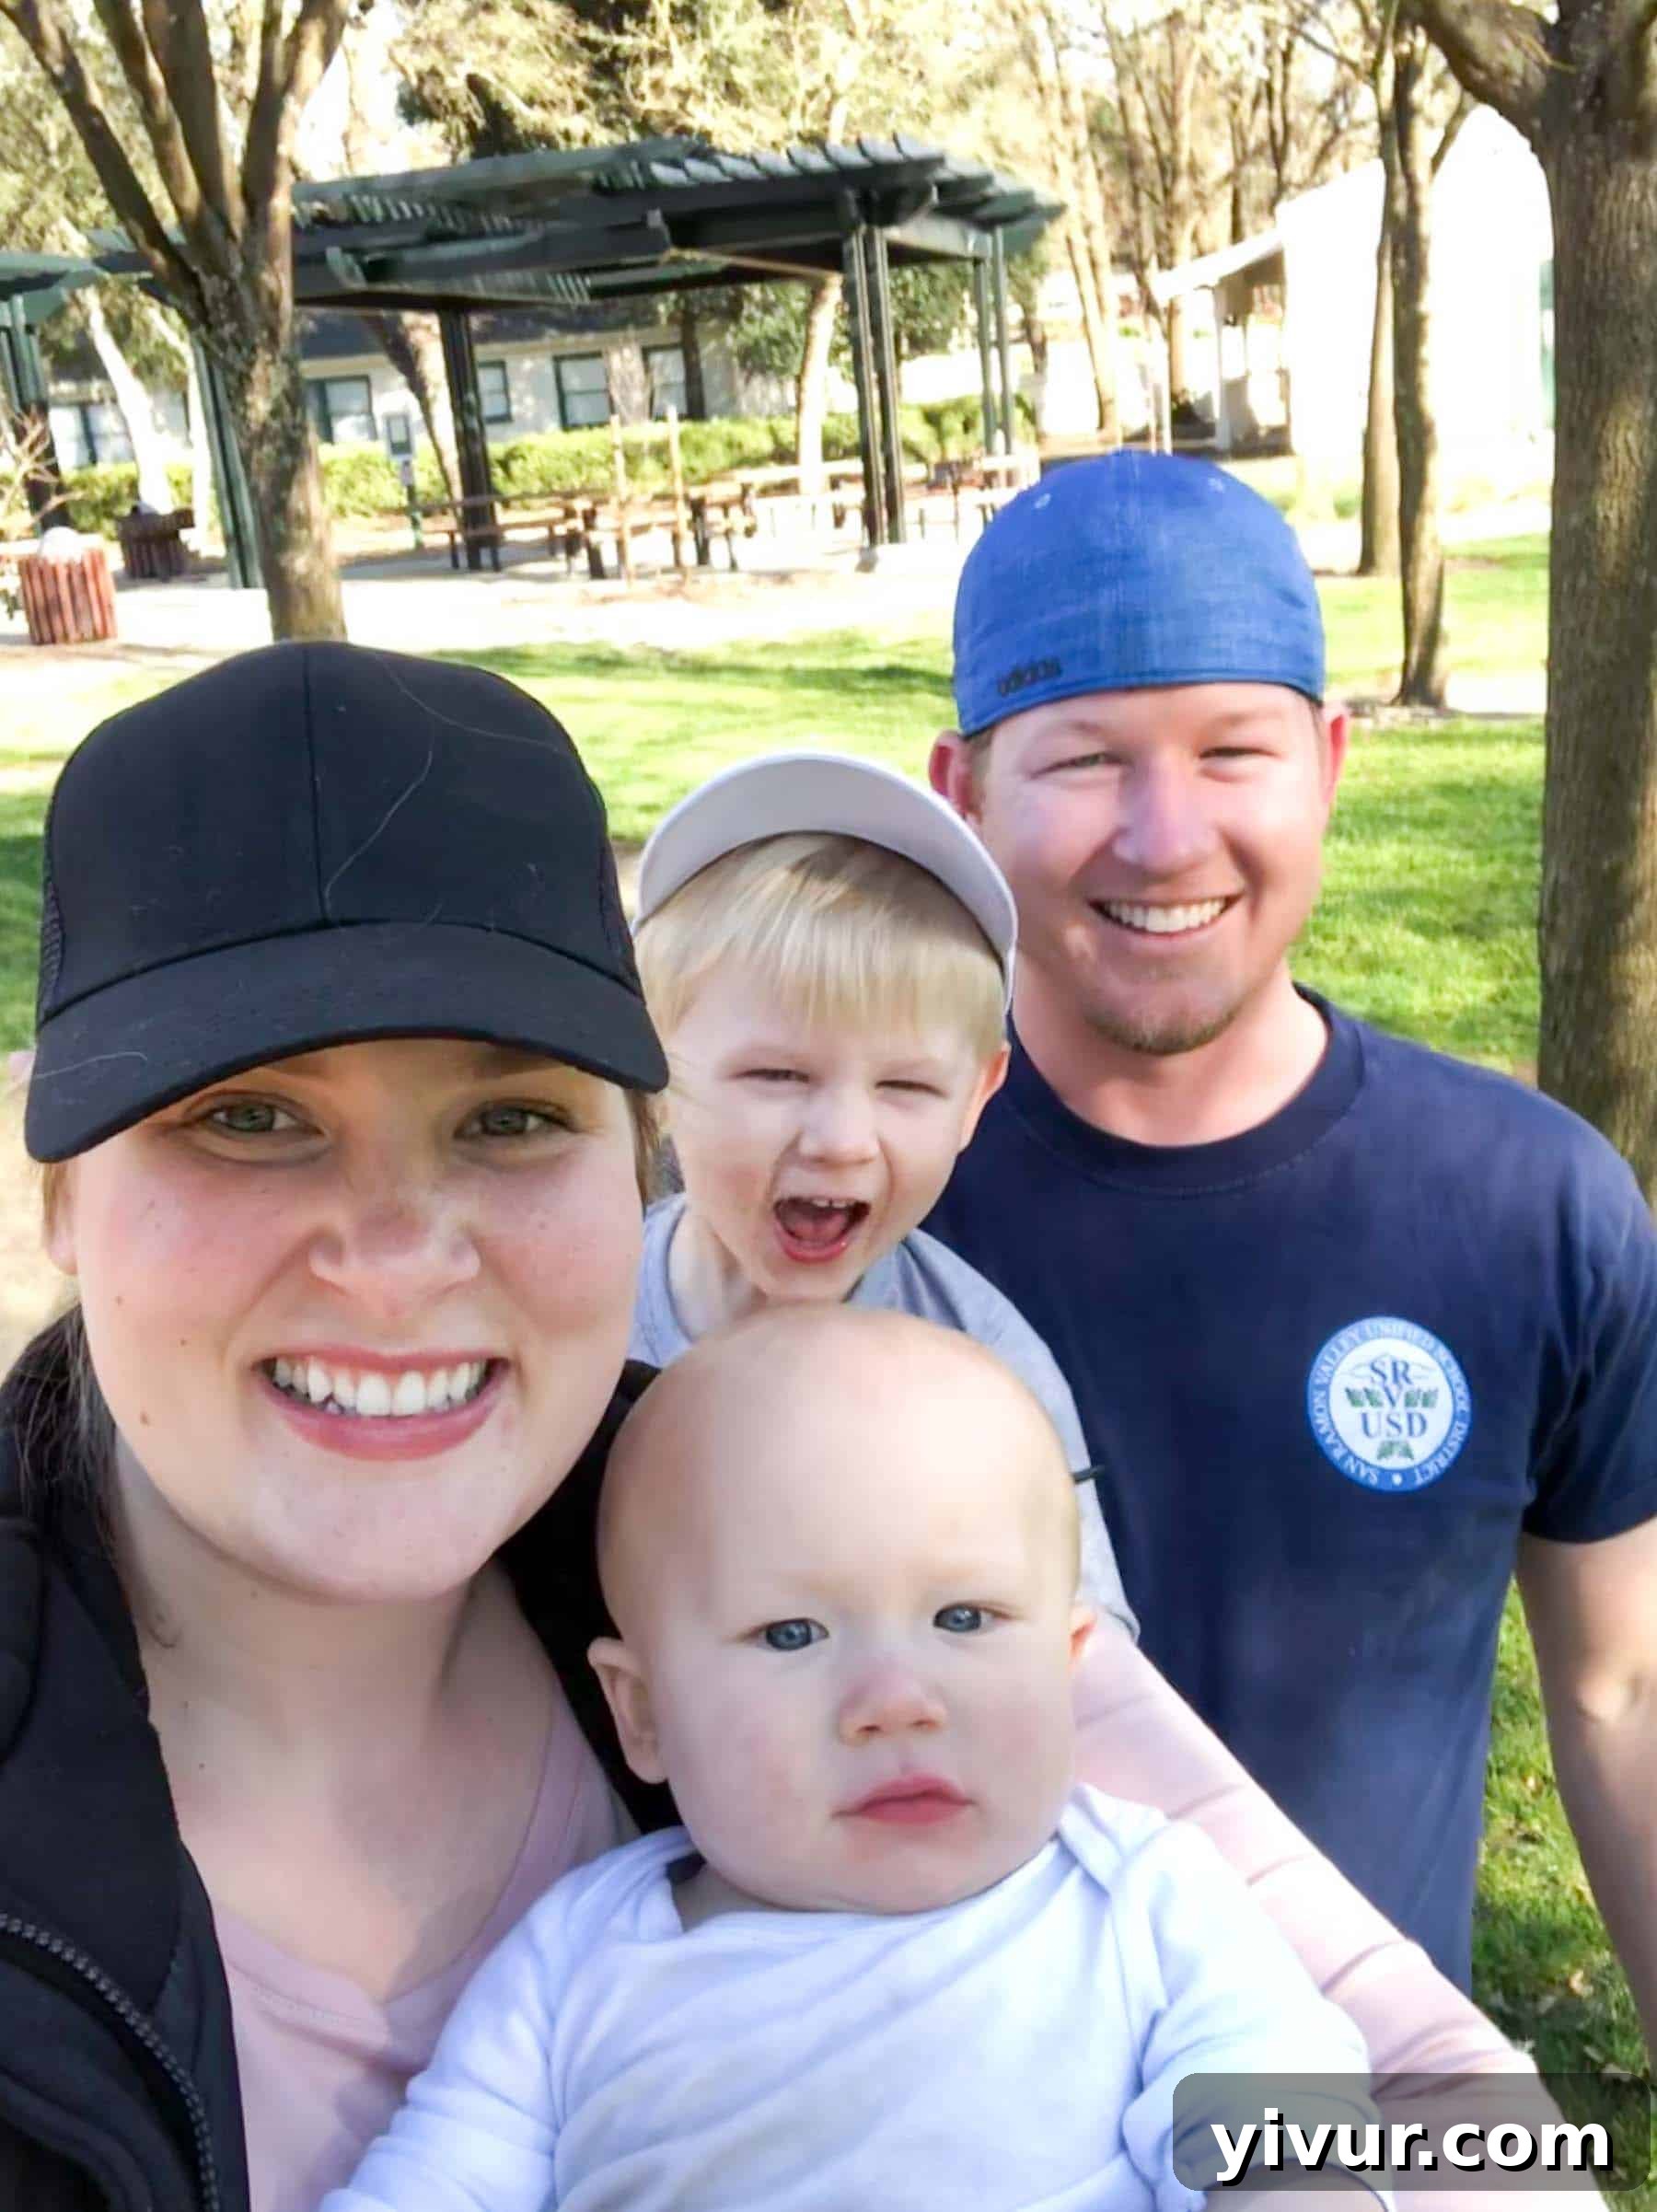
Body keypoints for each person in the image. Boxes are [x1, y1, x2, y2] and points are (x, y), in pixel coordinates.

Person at [0, 639, 1529, 2212]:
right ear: (58, 1179)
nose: (396, 1257)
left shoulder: (783, 1502)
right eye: (248, 1118)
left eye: (511, 1115)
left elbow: (1412, 2062)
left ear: (632, 1148)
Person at [925, 451, 1657, 2026]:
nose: (1166, 833)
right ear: (958, 793)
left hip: (1363, 2119)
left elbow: (1622, 1689)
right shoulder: (855, 1217)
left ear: (1327, 762)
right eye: (1087, 759)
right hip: (957, 2124)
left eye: (1233, 749)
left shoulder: (1529, 1205)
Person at [326, 1306, 1376, 2212]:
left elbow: (1292, 2129)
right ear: (641, 1712)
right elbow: (438, 2183)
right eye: (792, 1635)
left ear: (1065, 1665)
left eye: (964, 1617)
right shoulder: (573, 1965)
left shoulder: (1142, 1904)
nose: (897, 1702)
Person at [628, 749, 1129, 1618]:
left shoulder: (984, 1368)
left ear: (977, 1097)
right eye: (778, 1076)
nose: (842, 1141)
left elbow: (1083, 1656)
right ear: (655, 1070)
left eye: (905, 1087)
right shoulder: (583, 1311)